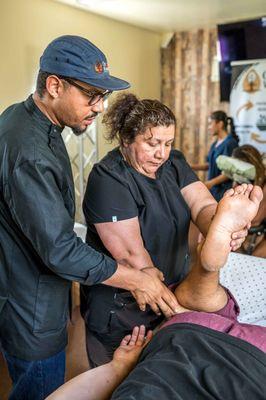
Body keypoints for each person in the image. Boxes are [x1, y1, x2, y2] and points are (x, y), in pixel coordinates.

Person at [0, 35, 180, 400]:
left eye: (103, 97)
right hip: (29, 310)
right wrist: (136, 280)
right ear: (54, 86)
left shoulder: (25, 120)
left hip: (28, 296)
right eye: (91, 96)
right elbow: (61, 250)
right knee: (39, 390)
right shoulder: (30, 150)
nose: (99, 108)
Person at [47, 184, 266, 400]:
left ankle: (207, 270)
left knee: (194, 314)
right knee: (193, 313)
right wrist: (117, 369)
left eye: (166, 144)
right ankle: (207, 269)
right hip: (206, 352)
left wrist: (118, 368)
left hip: (194, 349)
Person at [81, 94, 247, 367]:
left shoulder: (173, 163)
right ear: (126, 140)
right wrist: (181, 313)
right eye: (152, 143)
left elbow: (202, 204)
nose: (162, 153)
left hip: (173, 286)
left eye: (168, 143)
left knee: (169, 375)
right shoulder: (108, 177)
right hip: (125, 305)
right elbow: (132, 256)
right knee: (124, 382)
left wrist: (219, 227)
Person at [192, 110, 239, 201]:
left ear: (220, 124)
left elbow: (230, 172)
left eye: (210, 124)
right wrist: (191, 166)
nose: (209, 127)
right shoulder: (215, 144)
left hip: (223, 191)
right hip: (213, 190)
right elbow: (210, 165)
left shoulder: (230, 143)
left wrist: (210, 183)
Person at [232, 145, 266, 257]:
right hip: (242, 227)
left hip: (257, 229)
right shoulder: (239, 182)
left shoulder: (262, 185)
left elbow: (255, 217)